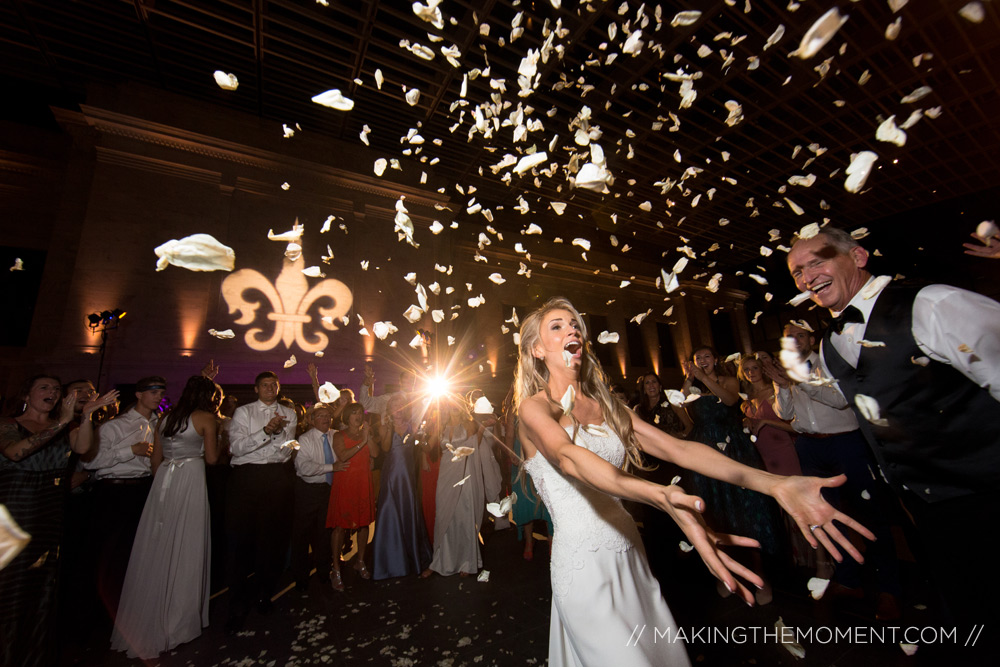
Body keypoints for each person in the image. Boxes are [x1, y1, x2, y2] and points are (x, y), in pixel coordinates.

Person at [515, 297, 871, 666]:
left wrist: (772, 484)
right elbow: (569, 458)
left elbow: (681, 450)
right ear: (537, 349)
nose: (572, 328)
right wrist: (661, 496)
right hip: (582, 565)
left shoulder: (608, 407)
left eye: (574, 323)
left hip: (628, 552)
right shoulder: (534, 408)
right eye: (557, 325)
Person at [786, 227, 1000, 634]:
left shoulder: (931, 304)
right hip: (925, 506)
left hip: (988, 492)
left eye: (818, 261)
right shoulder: (830, 344)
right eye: (798, 272)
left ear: (859, 256)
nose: (807, 277)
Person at [761, 322, 902, 617]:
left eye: (801, 335)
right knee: (828, 517)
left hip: (845, 444)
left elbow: (839, 400)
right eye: (789, 337)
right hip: (809, 447)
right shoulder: (786, 369)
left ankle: (891, 589)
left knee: (870, 514)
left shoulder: (829, 361)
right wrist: (784, 386)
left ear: (811, 338)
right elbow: (784, 413)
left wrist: (797, 381)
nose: (795, 341)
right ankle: (849, 581)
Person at [0, 375, 116, 667]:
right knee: (10, 586)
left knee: (41, 588)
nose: (51, 392)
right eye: (44, 387)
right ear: (27, 394)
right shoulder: (7, 424)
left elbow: (83, 449)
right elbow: (15, 453)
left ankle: (30, 657)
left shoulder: (68, 426)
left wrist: (86, 415)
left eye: (55, 388)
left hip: (49, 512)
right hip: (15, 511)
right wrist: (62, 422)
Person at [111, 376, 222, 659]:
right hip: (191, 479)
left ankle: (149, 611)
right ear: (208, 397)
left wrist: (164, 482)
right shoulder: (206, 418)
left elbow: (155, 461)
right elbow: (211, 459)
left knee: (156, 543)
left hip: (164, 481)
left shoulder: (165, 419)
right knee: (187, 543)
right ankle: (179, 622)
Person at [681, 346, 783, 604]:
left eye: (706, 356)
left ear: (715, 358)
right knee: (716, 514)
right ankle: (724, 573)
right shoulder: (694, 386)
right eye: (698, 359)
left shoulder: (728, 380)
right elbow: (681, 405)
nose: (702, 361)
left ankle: (760, 577)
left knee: (747, 509)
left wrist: (704, 379)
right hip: (705, 449)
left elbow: (728, 400)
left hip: (734, 448)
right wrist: (689, 380)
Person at [82, 376, 166, 623]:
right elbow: (91, 461)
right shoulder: (114, 426)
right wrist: (130, 450)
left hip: (144, 489)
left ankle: (127, 609)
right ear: (139, 395)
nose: (158, 397)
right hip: (114, 491)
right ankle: (96, 613)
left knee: (136, 551)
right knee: (108, 552)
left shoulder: (159, 425)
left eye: (161, 392)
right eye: (153, 392)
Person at [224, 371, 297, 632]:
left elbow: (288, 449)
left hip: (276, 477)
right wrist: (266, 431)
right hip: (247, 478)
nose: (269, 389)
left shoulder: (290, 412)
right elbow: (237, 448)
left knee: (271, 541)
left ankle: (264, 595)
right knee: (241, 542)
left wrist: (277, 436)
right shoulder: (244, 413)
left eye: (273, 385)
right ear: (256, 389)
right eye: (264, 385)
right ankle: (236, 604)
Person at [426, 397, 492, 577]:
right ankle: (439, 560)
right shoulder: (440, 425)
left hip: (464, 475)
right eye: (449, 404)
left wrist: (481, 430)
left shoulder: (469, 424)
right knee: (443, 516)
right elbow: (428, 446)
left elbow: (475, 446)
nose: (452, 407)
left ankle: (467, 561)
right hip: (446, 475)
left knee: (464, 516)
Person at [372, 394, 432, 579]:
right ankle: (389, 562)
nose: (397, 408)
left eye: (400, 405)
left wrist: (422, 441)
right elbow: (385, 448)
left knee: (409, 514)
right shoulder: (383, 427)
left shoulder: (412, 426)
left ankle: (413, 559)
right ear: (389, 409)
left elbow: (422, 445)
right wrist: (389, 427)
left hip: (407, 478)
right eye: (393, 405)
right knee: (389, 514)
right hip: (390, 477)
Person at [291, 403, 348, 594]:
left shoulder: (335, 435)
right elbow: (303, 468)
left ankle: (323, 572)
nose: (325, 419)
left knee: (324, 533)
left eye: (327, 416)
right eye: (320, 416)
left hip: (329, 491)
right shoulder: (304, 439)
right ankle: (300, 578)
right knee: (302, 535)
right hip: (308, 491)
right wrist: (331, 467)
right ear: (312, 420)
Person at [327, 402, 377, 591]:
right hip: (346, 483)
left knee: (363, 524)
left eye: (360, 413)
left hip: (363, 482)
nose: (358, 416)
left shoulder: (366, 434)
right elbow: (343, 455)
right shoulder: (339, 435)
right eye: (354, 413)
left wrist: (368, 438)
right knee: (340, 526)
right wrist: (362, 442)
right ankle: (336, 568)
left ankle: (360, 560)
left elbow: (376, 453)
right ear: (347, 417)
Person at [737, 357, 800, 476]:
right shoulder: (747, 398)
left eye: (755, 368)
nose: (751, 372)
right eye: (746, 369)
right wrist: (746, 420)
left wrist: (766, 421)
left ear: (762, 370)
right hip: (760, 452)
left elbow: (795, 427)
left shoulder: (774, 391)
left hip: (781, 449)